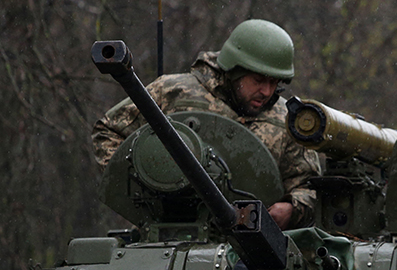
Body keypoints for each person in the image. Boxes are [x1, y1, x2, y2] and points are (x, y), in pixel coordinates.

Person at [92, 20, 321, 230]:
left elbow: (307, 186)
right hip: (166, 236)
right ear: (235, 70)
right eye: (258, 80)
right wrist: (145, 183)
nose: (266, 91)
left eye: (274, 82)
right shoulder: (172, 93)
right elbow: (109, 131)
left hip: (251, 248)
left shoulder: (285, 120)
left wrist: (293, 209)